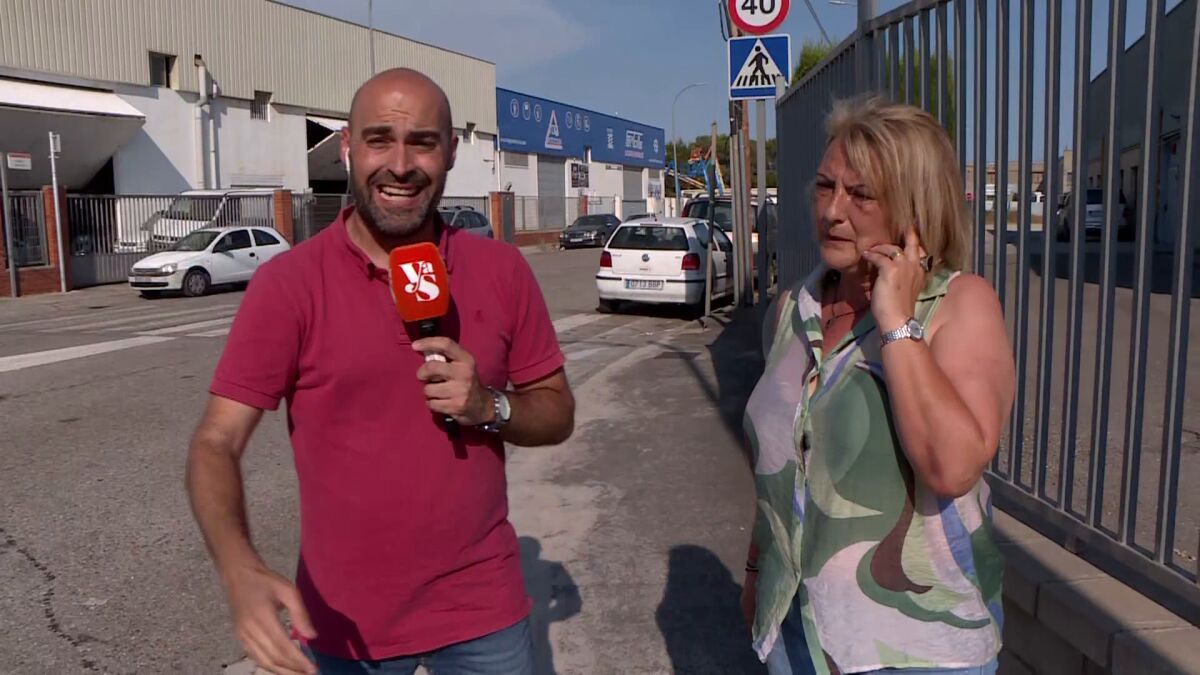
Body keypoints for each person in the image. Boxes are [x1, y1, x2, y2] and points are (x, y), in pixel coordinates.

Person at [185, 68, 575, 675]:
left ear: (450, 151)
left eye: (422, 142)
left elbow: (557, 411)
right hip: (342, 626)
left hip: (483, 612)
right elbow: (215, 442)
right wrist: (239, 569)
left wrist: (490, 407)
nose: (399, 165)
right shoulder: (288, 286)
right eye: (378, 140)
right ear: (347, 147)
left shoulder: (502, 271)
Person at [740, 96, 1015, 675]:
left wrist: (895, 322)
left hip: (918, 650)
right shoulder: (793, 309)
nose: (832, 211)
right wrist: (756, 571)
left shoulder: (958, 306)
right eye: (825, 186)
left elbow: (952, 468)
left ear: (915, 210)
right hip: (798, 632)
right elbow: (783, 464)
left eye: (860, 195)